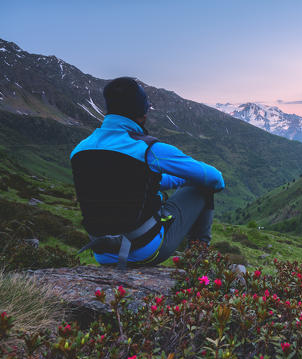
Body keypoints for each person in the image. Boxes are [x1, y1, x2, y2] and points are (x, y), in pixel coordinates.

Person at [70, 77, 224, 267]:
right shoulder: (148, 149)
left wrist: (173, 181)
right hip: (143, 250)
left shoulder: (80, 149)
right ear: (142, 113)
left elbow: (124, 183)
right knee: (204, 185)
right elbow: (215, 178)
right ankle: (198, 262)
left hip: (102, 252)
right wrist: (189, 180)